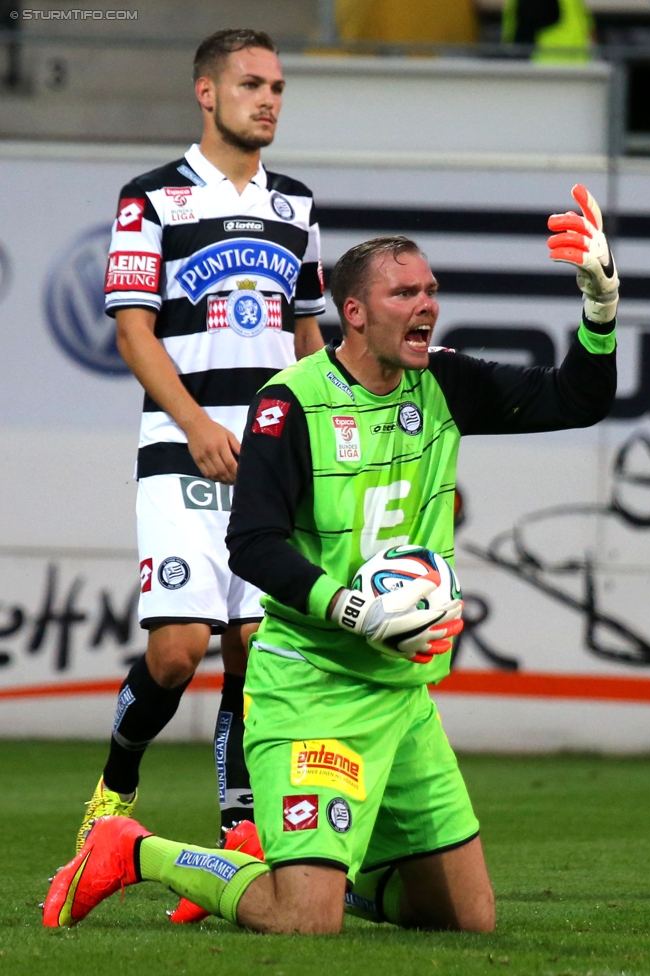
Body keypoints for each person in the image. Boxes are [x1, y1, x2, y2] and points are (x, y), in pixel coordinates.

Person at [48, 184, 618, 934]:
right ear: (353, 313)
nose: (425, 306)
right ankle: (133, 849)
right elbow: (250, 543)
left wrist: (599, 312)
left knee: (467, 920)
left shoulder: (443, 381)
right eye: (404, 293)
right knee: (303, 922)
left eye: (430, 291)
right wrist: (352, 608)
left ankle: (331, 874)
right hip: (310, 690)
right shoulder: (291, 402)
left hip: (401, 698)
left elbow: (575, 399)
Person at [77, 28, 325, 852]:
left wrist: (315, 436)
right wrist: (195, 425)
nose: (268, 100)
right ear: (207, 92)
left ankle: (240, 835)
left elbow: (306, 341)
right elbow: (133, 332)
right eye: (252, 84)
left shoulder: (296, 207)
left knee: (257, 654)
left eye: (278, 88)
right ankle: (115, 783)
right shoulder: (150, 198)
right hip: (181, 453)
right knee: (180, 652)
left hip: (268, 465)